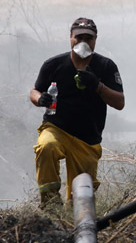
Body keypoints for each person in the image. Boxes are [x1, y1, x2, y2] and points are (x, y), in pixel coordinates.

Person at [29, 17, 124, 208]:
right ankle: (51, 207)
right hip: (57, 128)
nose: (83, 42)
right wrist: (41, 99)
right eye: (78, 37)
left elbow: (119, 102)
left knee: (81, 199)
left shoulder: (105, 67)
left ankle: (74, 225)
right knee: (46, 146)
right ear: (70, 38)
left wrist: (97, 85)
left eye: (88, 38)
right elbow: (34, 91)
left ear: (95, 40)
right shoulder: (53, 65)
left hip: (87, 138)